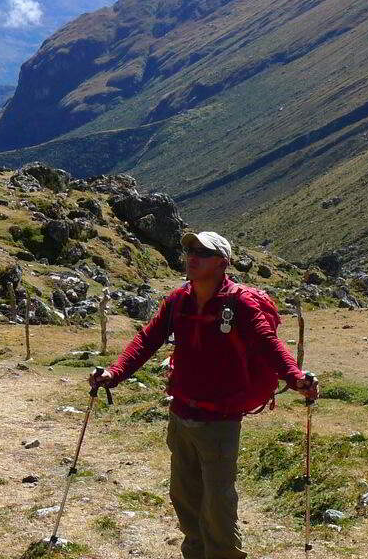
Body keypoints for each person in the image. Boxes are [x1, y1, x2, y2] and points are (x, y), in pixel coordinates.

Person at [89, 230, 318, 559]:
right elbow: (146, 340)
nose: (192, 257)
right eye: (189, 250)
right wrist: (114, 373)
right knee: (184, 498)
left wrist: (296, 378)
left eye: (202, 252)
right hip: (181, 414)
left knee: (217, 506)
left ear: (223, 263)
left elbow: (268, 345)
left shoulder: (240, 304)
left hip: (220, 422)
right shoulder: (178, 300)